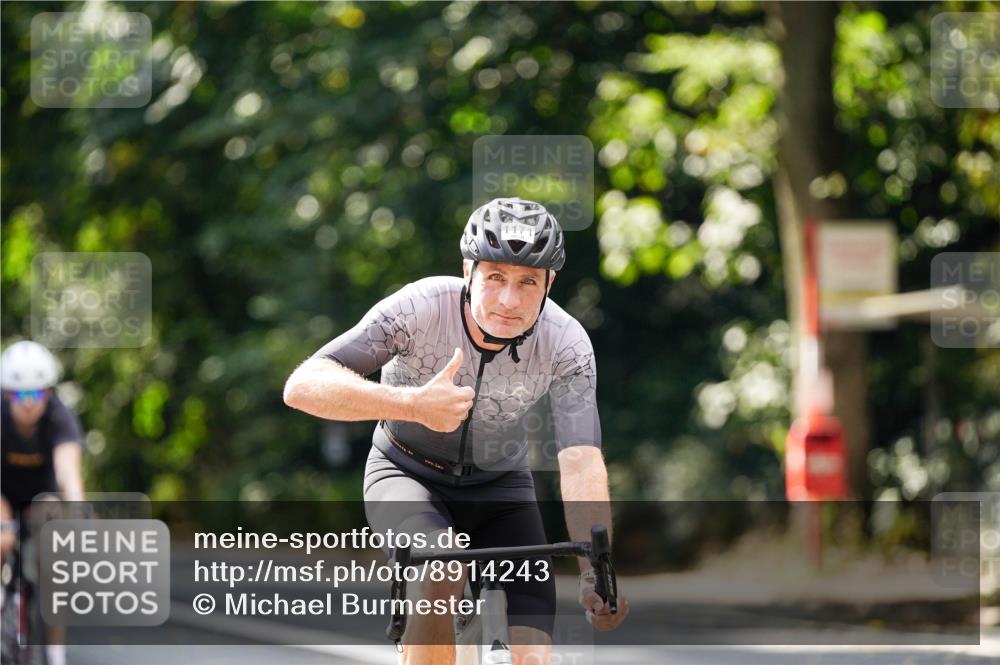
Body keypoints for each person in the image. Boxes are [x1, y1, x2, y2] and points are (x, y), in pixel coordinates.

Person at [285, 197, 628, 665]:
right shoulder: (420, 308)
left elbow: (580, 458)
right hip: (405, 473)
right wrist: (411, 404)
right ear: (468, 270)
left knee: (532, 654)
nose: (510, 300)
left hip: (501, 488)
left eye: (528, 281)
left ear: (550, 283)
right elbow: (303, 385)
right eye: (495, 277)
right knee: (441, 567)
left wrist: (596, 573)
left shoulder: (566, 342)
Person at [1, 340, 85, 665]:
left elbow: (68, 470)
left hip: (41, 495)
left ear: (48, 392)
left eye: (35, 394)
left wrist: (76, 510)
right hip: (3, 493)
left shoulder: (59, 417)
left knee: (54, 561)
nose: (28, 403)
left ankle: (55, 653)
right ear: (7, 394)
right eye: (19, 395)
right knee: (2, 536)